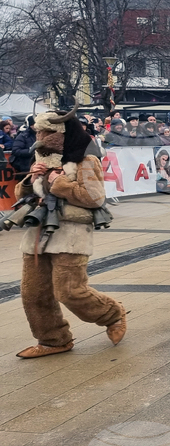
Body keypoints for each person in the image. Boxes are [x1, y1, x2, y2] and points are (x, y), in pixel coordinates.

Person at [13, 106, 126, 358]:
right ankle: (53, 339)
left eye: (48, 132)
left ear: (64, 132)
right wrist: (31, 180)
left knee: (69, 291)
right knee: (33, 293)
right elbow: (21, 196)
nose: (40, 138)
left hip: (71, 233)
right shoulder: (42, 159)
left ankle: (113, 314)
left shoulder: (87, 160)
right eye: (39, 132)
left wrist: (58, 182)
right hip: (38, 233)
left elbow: (94, 197)